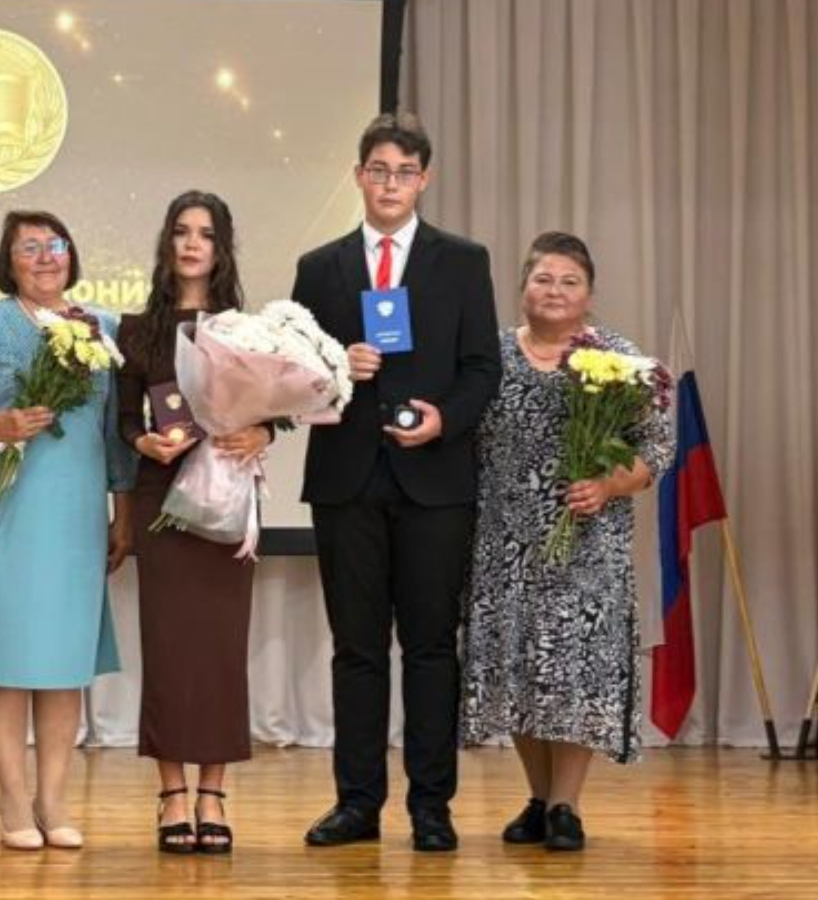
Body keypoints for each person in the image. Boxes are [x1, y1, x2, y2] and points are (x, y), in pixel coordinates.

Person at [292, 112, 501, 852]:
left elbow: (483, 368)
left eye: (404, 172)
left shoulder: (463, 261)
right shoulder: (320, 267)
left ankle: (432, 808)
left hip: (435, 482)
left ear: (424, 180)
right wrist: (334, 367)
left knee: (431, 648)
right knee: (356, 649)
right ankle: (356, 804)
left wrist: (444, 421)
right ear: (358, 176)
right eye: (378, 170)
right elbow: (293, 375)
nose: (390, 183)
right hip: (346, 480)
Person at [0, 210, 137, 850]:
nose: (46, 257)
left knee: (63, 659)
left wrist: (123, 510)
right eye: (30, 248)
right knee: (6, 656)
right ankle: (13, 798)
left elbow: (114, 434)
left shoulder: (101, 327)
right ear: (8, 262)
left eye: (56, 245)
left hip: (74, 513)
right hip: (3, 513)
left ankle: (54, 798)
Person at [461, 231, 672, 852]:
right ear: (523, 288)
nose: (554, 291)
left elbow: (657, 447)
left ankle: (565, 806)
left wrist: (608, 484)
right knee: (520, 670)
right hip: (502, 544)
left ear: (589, 295)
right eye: (543, 279)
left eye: (569, 281)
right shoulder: (489, 355)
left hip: (587, 542)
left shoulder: (619, 359)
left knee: (573, 673)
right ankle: (537, 796)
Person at [116, 191, 270, 854]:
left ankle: (214, 793)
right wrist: (142, 442)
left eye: (205, 234)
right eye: (181, 231)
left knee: (220, 651)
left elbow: (280, 406)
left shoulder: (248, 329)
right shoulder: (137, 329)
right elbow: (126, 418)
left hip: (229, 495)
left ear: (221, 247)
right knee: (170, 650)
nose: (191, 244)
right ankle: (172, 794)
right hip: (162, 500)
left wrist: (264, 431)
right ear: (167, 241)